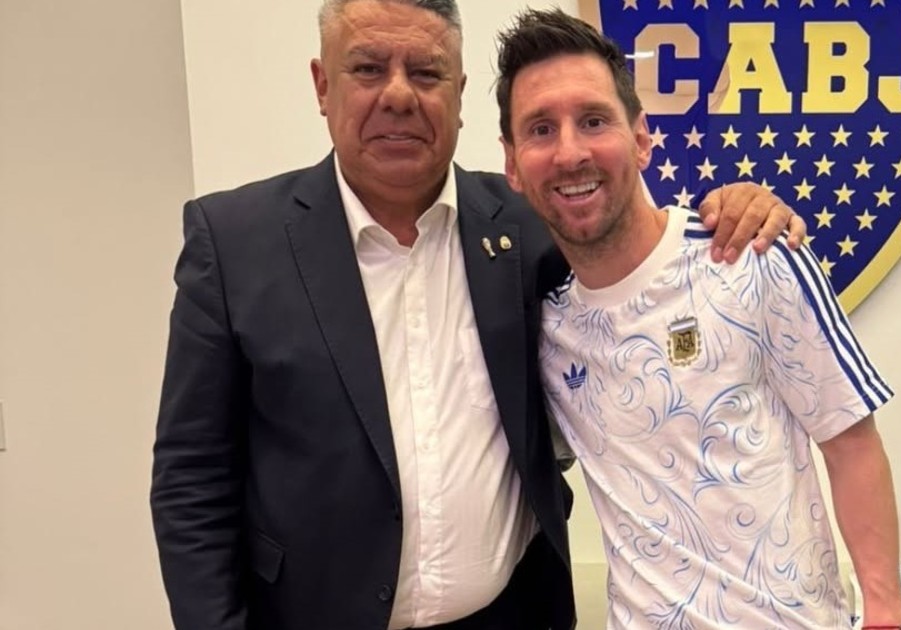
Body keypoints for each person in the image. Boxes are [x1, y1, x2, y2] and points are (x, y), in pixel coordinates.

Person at [148, 1, 807, 629]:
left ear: (459, 95)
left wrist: (738, 206)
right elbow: (191, 478)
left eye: (426, 72)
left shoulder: (534, 227)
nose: (399, 95)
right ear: (324, 85)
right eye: (369, 68)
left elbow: (634, 246)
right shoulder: (234, 243)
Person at [496, 8, 901, 630]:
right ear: (512, 164)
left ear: (641, 138)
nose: (570, 151)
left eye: (594, 121)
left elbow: (850, 443)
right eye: (540, 129)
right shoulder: (547, 328)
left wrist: (885, 612)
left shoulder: (754, 257)